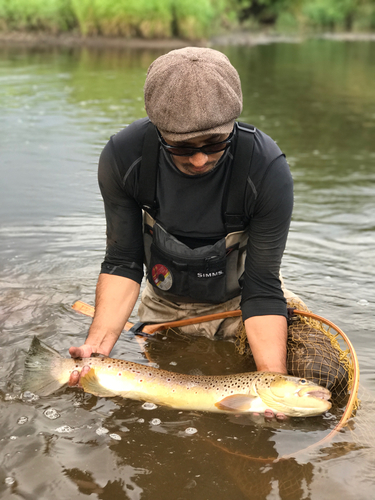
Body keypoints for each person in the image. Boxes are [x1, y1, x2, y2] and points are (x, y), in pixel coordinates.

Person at [69, 47, 302, 416]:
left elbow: (262, 288)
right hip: (165, 303)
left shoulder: (266, 170)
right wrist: (95, 351)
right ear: (158, 128)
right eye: (181, 146)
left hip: (243, 304)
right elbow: (122, 263)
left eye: (214, 144)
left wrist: (270, 385)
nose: (199, 159)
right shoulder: (124, 159)